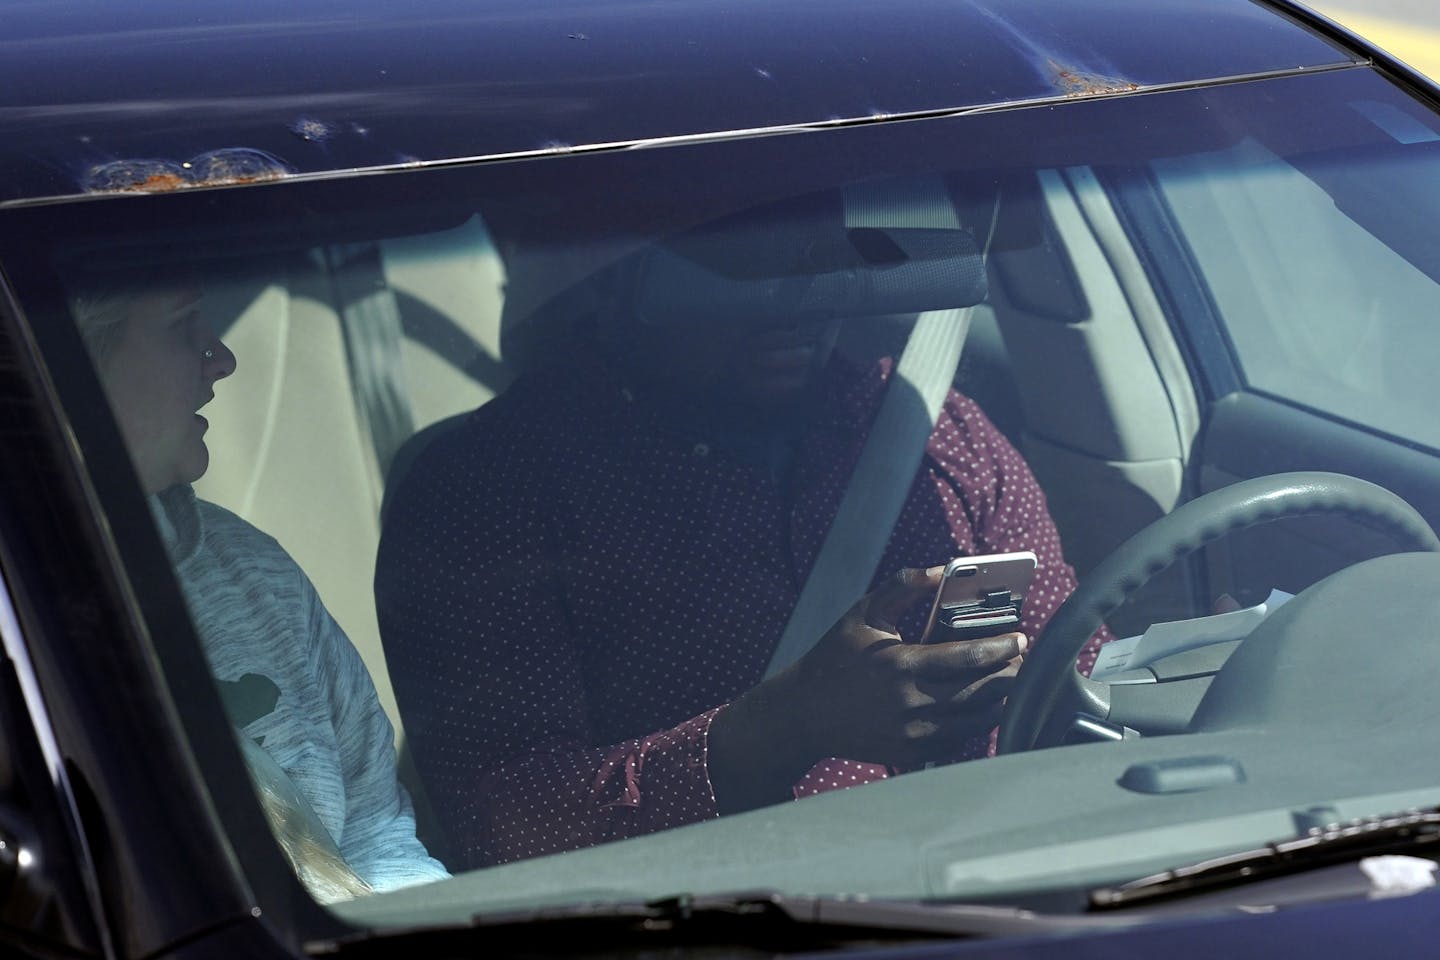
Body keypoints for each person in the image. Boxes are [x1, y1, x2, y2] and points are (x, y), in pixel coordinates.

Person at [376, 240, 1108, 871]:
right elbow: (506, 833)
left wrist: (1188, 667)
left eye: (823, 255)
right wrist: (778, 729)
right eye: (739, 265)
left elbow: (1074, 675)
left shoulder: (937, 432)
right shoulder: (489, 490)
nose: (798, 300)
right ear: (611, 270)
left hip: (996, 888)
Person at [70, 275, 449, 901]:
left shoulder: (251, 570)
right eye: (179, 324)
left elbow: (376, 833)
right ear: (69, 365)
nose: (221, 359)